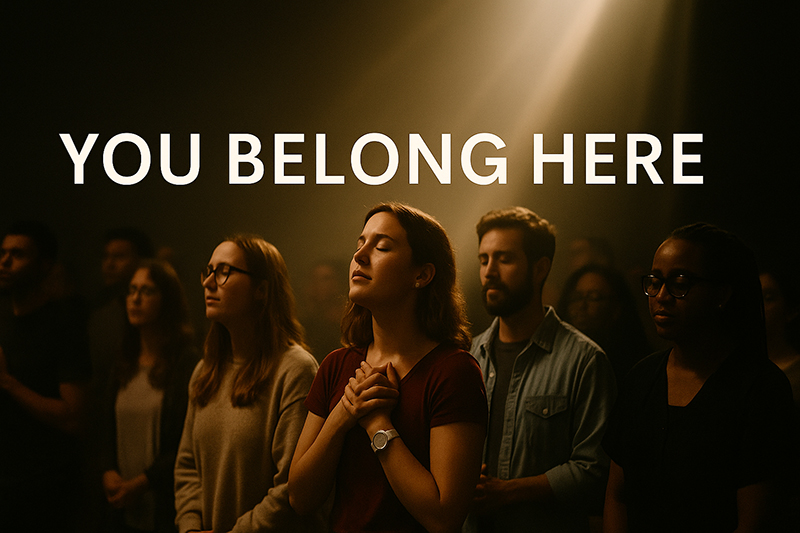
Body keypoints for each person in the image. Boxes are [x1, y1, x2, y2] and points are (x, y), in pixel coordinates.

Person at [289, 202, 488, 533]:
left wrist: (378, 425)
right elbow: (299, 497)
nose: (361, 255)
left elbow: (443, 517)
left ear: (422, 275)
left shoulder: (454, 371)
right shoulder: (337, 365)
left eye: (381, 246)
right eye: (360, 244)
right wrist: (343, 413)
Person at [603, 223, 797, 532]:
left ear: (721, 293)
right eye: (655, 281)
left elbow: (756, 520)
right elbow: (617, 496)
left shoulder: (759, 388)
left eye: (680, 282)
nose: (661, 296)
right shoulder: (642, 377)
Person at [464, 206, 616, 533]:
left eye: (504, 259)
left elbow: (594, 469)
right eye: (483, 259)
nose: (489, 271)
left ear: (540, 269)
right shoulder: (468, 356)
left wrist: (507, 492)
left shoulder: (584, 360)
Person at [174, 235, 322, 533]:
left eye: (224, 271)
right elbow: (187, 468)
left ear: (262, 289)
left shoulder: (295, 368)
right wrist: (190, 527)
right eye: (209, 270)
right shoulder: (205, 370)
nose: (208, 283)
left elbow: (291, 485)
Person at [0, 221, 91, 532]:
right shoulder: (3, 319)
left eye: (18, 254)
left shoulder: (64, 326)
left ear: (44, 265)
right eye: (3, 253)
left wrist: (9, 383)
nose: (5, 261)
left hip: (43, 486)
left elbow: (73, 417)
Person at [101, 260, 198, 533]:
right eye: (132, 290)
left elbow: (186, 440)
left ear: (167, 300)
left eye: (147, 291)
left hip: (165, 505)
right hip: (122, 508)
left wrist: (144, 482)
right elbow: (106, 426)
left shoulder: (186, 363)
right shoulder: (124, 360)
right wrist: (108, 469)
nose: (135, 298)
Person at [556, 263, 650, 382]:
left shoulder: (635, 364)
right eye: (577, 297)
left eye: (593, 297)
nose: (581, 305)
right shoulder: (560, 358)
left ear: (616, 308)